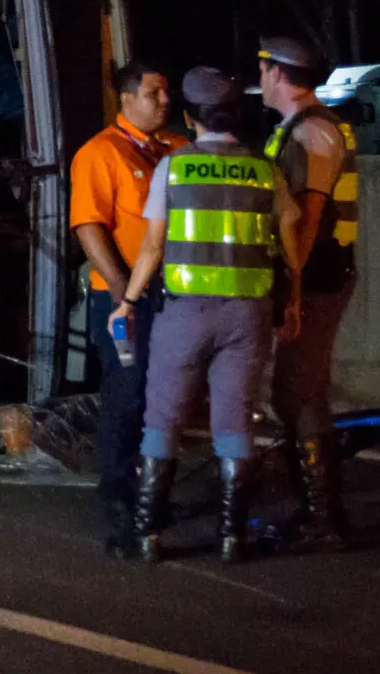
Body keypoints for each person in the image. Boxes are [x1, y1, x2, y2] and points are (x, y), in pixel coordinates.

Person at [108, 67, 301, 563]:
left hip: (185, 314)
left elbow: (152, 247)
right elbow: (289, 241)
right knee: (235, 423)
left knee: (163, 420)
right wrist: (293, 299)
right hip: (248, 313)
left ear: (192, 119)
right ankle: (231, 537)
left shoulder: (175, 168)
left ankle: (148, 536)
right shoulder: (264, 169)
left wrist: (127, 301)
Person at [69, 61, 186, 544]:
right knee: (127, 392)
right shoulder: (101, 153)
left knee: (166, 397)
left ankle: (153, 487)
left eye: (166, 92)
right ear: (128, 98)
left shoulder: (176, 150)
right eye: (155, 92)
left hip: (177, 295)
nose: (165, 101)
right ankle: (119, 492)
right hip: (126, 298)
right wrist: (122, 291)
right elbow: (89, 226)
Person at [257, 35, 361, 550]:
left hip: (316, 276)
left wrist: (292, 295)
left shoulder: (312, 133)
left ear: (277, 73)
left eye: (261, 68)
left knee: (300, 392)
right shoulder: (304, 129)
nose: (258, 78)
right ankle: (316, 514)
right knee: (296, 391)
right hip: (316, 274)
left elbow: (308, 218)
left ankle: (324, 520)